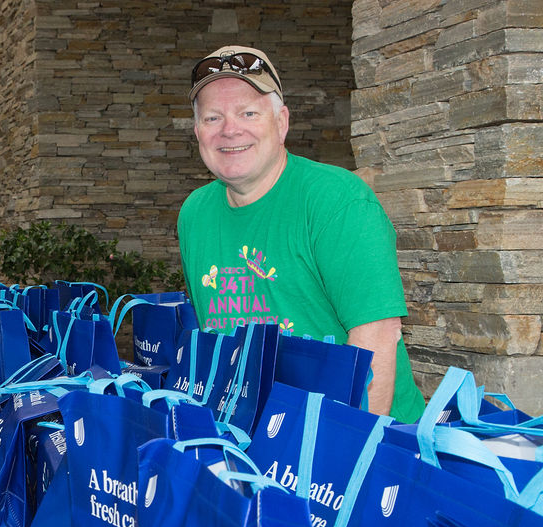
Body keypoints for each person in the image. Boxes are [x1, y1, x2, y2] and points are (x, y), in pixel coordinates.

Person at [179, 44, 425, 423]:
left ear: (281, 123)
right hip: (252, 435)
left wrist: (341, 451)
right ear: (198, 131)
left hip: (359, 435)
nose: (230, 129)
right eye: (213, 118)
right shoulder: (195, 214)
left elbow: (376, 341)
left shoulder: (338, 201)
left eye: (248, 113)